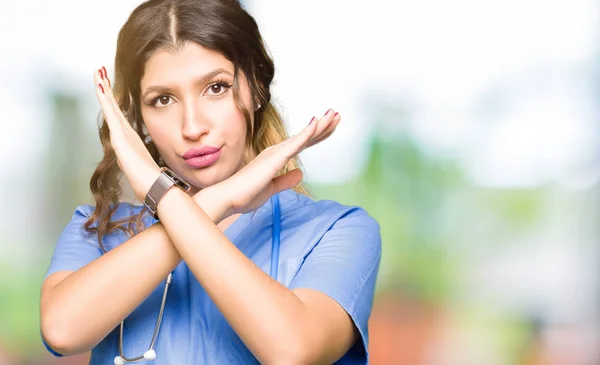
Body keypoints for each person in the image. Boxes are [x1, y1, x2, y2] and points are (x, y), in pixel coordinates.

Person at [39, 0, 382, 364]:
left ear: (258, 88)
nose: (192, 126)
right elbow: (62, 330)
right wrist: (217, 203)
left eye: (216, 88)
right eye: (163, 99)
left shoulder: (337, 230)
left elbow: (292, 351)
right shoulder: (98, 230)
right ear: (137, 119)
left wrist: (165, 197)